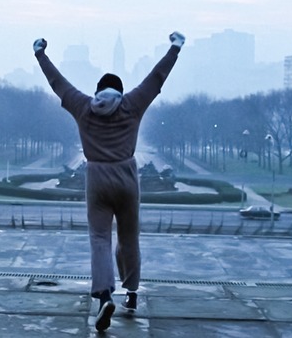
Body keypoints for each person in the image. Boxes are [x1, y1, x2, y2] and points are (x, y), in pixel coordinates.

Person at [32, 32, 184, 332]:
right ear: (120, 91)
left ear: (99, 91)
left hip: (97, 178)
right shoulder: (132, 105)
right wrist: (174, 49)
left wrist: (40, 55)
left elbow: (58, 84)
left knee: (99, 240)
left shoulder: (84, 106)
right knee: (129, 237)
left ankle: (104, 297)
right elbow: (156, 78)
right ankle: (131, 295)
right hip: (127, 177)